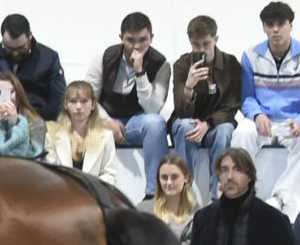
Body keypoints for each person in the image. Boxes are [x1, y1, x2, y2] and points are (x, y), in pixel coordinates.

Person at [240, 0, 300, 214]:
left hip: (293, 122)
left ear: (291, 25)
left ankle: (281, 196)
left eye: (281, 24)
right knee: (242, 132)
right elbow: (246, 98)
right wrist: (257, 114)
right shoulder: (250, 56)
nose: (276, 29)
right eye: (270, 24)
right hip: (263, 123)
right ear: (264, 28)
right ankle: (245, 193)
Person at [82, 12, 171, 197]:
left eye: (143, 40)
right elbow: (86, 98)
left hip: (136, 122)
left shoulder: (161, 64)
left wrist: (140, 74)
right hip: (104, 121)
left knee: (156, 123)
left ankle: (154, 194)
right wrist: (105, 121)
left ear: (151, 38)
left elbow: (153, 109)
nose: (137, 46)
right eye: (131, 40)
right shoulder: (104, 58)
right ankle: (87, 195)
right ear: (121, 38)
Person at [168, 15, 241, 204]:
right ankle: (185, 195)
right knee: (185, 126)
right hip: (190, 122)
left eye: (206, 44)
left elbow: (232, 105)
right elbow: (181, 111)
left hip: (215, 125)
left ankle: (219, 195)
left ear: (216, 40)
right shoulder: (182, 65)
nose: (201, 50)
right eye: (195, 45)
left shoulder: (230, 64)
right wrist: (189, 87)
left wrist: (208, 124)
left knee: (225, 131)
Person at [0, 13, 64, 122]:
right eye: (9, 48)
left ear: (30, 36)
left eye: (21, 48)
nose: (15, 53)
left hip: (38, 119)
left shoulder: (48, 58)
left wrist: (30, 119)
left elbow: (58, 100)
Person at [45, 80, 119, 187]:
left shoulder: (106, 135)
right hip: (61, 196)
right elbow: (50, 174)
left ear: (93, 105)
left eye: (84, 101)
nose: (79, 107)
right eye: (73, 101)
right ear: (66, 104)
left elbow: (110, 175)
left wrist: (89, 189)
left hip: (94, 197)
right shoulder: (52, 135)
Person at [0, 71, 47, 160]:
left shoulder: (35, 122)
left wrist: (15, 125)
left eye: (10, 92)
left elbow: (34, 157)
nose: (5, 98)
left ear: (18, 93)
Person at [152, 155, 200, 242]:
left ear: (186, 178)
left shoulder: (197, 215)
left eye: (174, 177)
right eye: (164, 177)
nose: (169, 182)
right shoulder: (144, 209)